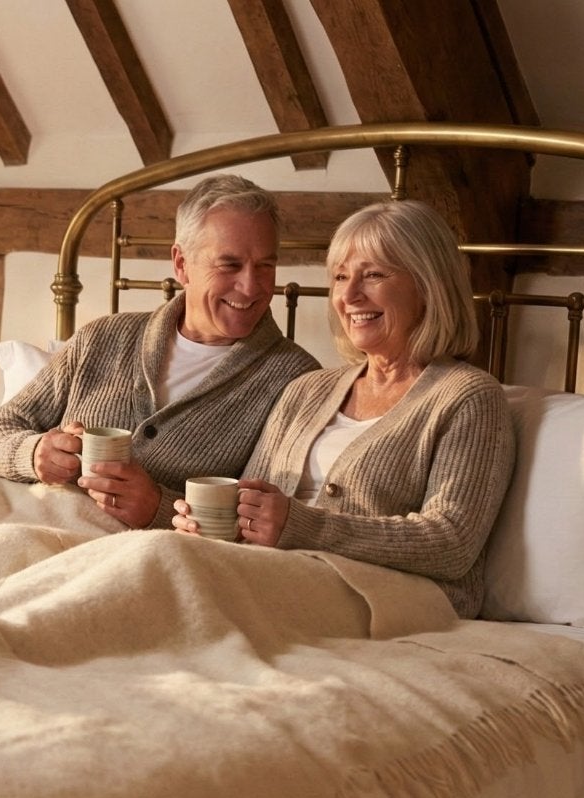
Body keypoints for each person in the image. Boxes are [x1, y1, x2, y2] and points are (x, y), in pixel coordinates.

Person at [175, 199, 515, 618]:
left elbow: (451, 543)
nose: (349, 295)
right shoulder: (306, 390)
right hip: (276, 577)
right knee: (162, 558)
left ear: (429, 285)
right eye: (340, 277)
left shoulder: (468, 397)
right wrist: (214, 522)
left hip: (384, 597)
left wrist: (302, 526)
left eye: (373, 274)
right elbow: (250, 501)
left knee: (165, 575)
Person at [0, 174, 320, 529]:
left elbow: (262, 522)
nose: (250, 286)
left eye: (266, 266)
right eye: (229, 265)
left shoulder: (296, 381)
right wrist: (34, 453)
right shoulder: (102, 338)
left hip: (134, 557)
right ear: (181, 264)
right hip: (22, 522)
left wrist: (158, 507)